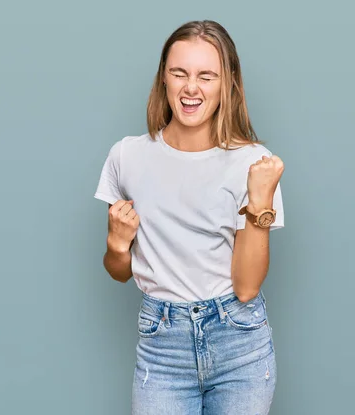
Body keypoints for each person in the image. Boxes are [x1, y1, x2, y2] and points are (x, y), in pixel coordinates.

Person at [93, 19, 285, 414]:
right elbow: (119, 270)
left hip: (238, 343)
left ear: (227, 84)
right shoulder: (127, 157)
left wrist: (260, 203)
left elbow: (247, 288)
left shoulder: (252, 164)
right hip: (162, 347)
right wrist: (116, 243)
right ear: (163, 79)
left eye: (206, 76)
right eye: (179, 73)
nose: (191, 88)